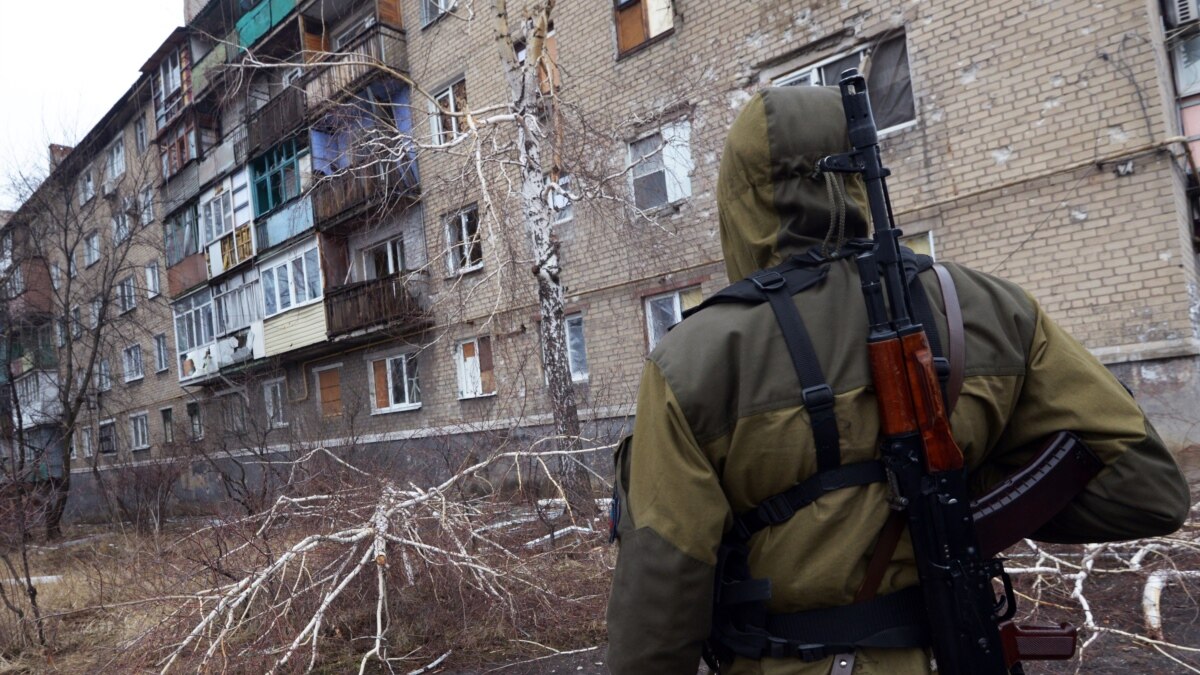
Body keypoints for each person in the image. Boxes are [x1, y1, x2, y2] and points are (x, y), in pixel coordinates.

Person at [606, 85, 1191, 674]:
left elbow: (661, 596)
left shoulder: (694, 358)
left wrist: (936, 486)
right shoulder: (994, 310)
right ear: (861, 179)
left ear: (740, 200)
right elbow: (1146, 489)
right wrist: (970, 487)